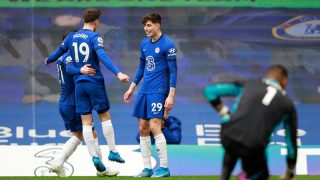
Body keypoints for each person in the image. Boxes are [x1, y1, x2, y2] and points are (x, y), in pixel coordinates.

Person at [46, 8, 130, 176]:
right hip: (90, 83)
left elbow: (57, 53)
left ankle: (97, 162)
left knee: (87, 126)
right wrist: (118, 72)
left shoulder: (70, 38)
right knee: (104, 117)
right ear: (96, 21)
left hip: (77, 89)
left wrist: (49, 59)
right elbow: (102, 57)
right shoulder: (94, 37)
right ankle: (112, 151)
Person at [203, 64, 297, 180]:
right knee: (261, 175)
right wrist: (289, 172)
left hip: (229, 134)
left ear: (266, 77)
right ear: (284, 81)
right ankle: (245, 177)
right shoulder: (288, 105)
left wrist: (225, 113)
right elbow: (291, 146)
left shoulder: (249, 84)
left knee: (231, 153)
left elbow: (210, 92)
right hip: (254, 144)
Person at [45, 30, 106, 177]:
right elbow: (71, 69)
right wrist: (81, 70)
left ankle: (59, 163)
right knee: (90, 133)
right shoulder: (68, 57)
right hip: (73, 104)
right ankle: (102, 170)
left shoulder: (63, 57)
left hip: (66, 102)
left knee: (79, 135)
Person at [124, 13, 177, 178]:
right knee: (143, 128)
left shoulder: (168, 45)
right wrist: (132, 88)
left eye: (149, 25)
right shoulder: (144, 43)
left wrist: (171, 96)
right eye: (145, 26)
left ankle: (164, 168)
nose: (146, 29)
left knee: (155, 127)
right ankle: (147, 168)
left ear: (157, 26)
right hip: (144, 91)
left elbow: (174, 72)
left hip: (159, 91)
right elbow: (141, 68)